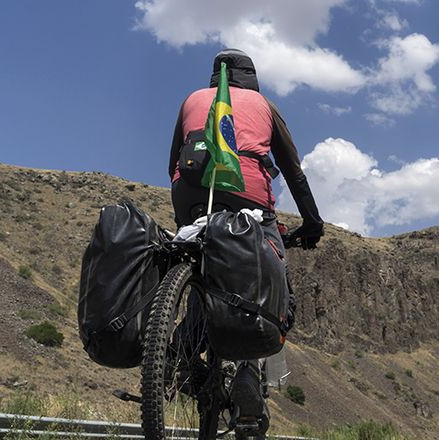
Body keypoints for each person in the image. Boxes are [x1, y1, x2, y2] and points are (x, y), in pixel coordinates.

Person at [167, 48, 324, 437]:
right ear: (251, 77)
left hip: (189, 194)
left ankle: (177, 351)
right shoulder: (263, 105)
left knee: (205, 265)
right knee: (271, 273)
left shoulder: (192, 100)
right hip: (248, 194)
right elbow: (293, 171)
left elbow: (172, 159)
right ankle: (250, 372)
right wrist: (312, 222)